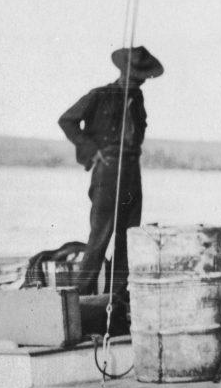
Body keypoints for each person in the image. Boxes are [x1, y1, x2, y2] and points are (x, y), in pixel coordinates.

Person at [59, 46, 164, 305]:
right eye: (137, 75)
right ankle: (79, 303)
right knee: (100, 238)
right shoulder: (100, 95)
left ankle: (116, 302)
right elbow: (67, 120)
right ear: (124, 72)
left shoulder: (137, 99)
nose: (140, 80)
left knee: (128, 238)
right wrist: (92, 151)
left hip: (132, 170)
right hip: (108, 170)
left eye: (143, 76)